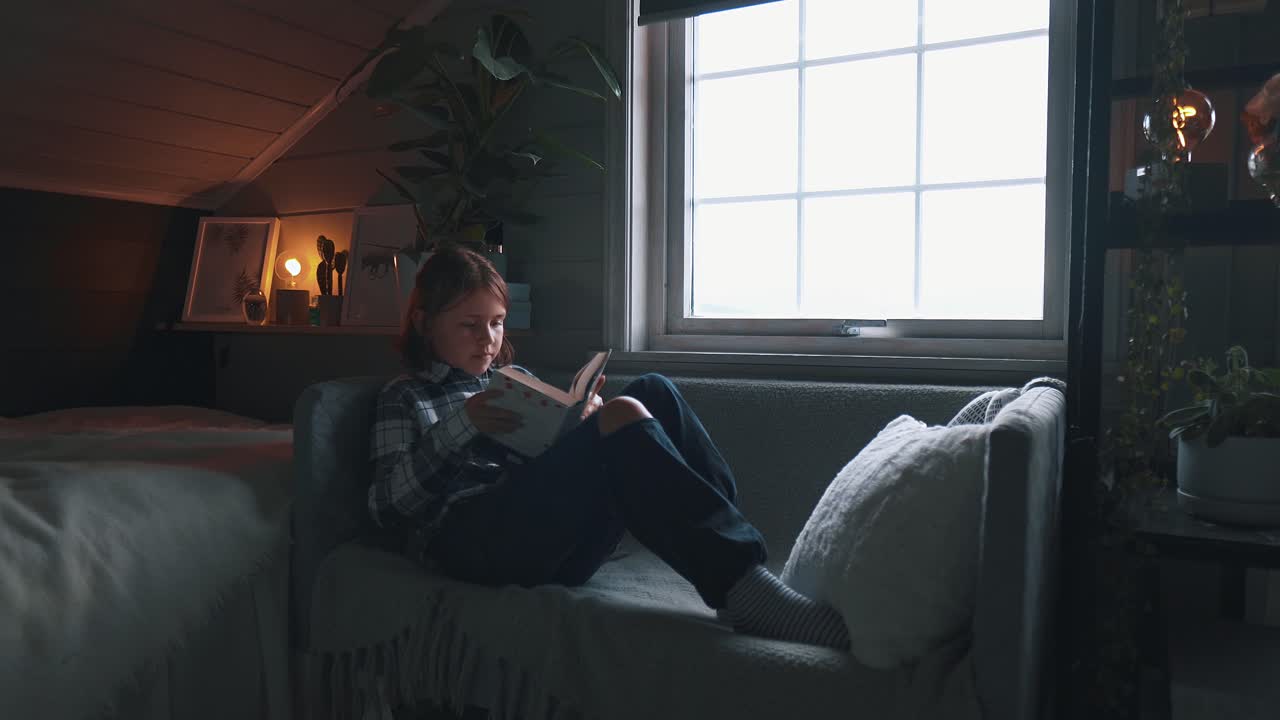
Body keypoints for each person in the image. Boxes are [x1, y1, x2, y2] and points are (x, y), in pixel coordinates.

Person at [368, 246, 848, 649]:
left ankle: (739, 576)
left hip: (557, 543)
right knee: (622, 416)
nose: (488, 340)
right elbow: (387, 509)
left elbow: (550, 467)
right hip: (475, 545)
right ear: (425, 323)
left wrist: (581, 425)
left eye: (496, 323)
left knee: (653, 391)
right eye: (470, 325)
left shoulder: (515, 382)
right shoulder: (405, 396)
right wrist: (461, 426)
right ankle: (742, 587)